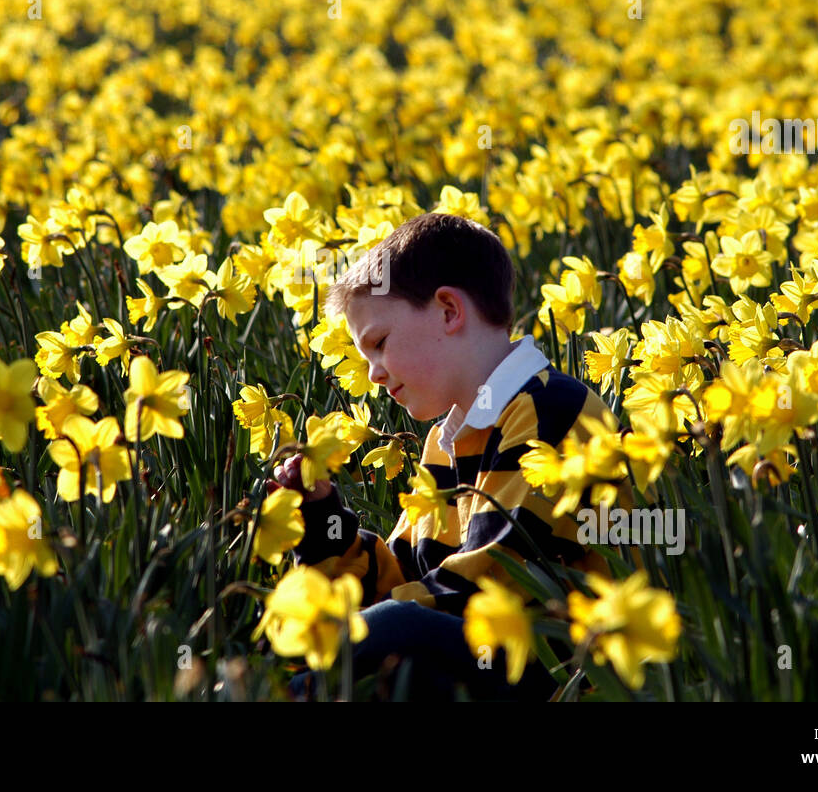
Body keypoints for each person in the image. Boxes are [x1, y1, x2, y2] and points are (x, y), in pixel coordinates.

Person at [266, 211, 642, 701]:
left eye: (379, 344)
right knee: (383, 655)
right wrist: (320, 520)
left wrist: (359, 629)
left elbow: (491, 580)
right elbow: (403, 577)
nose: (374, 374)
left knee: (396, 632)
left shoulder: (554, 408)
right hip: (491, 663)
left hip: (570, 673)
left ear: (448, 310)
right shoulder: (448, 442)